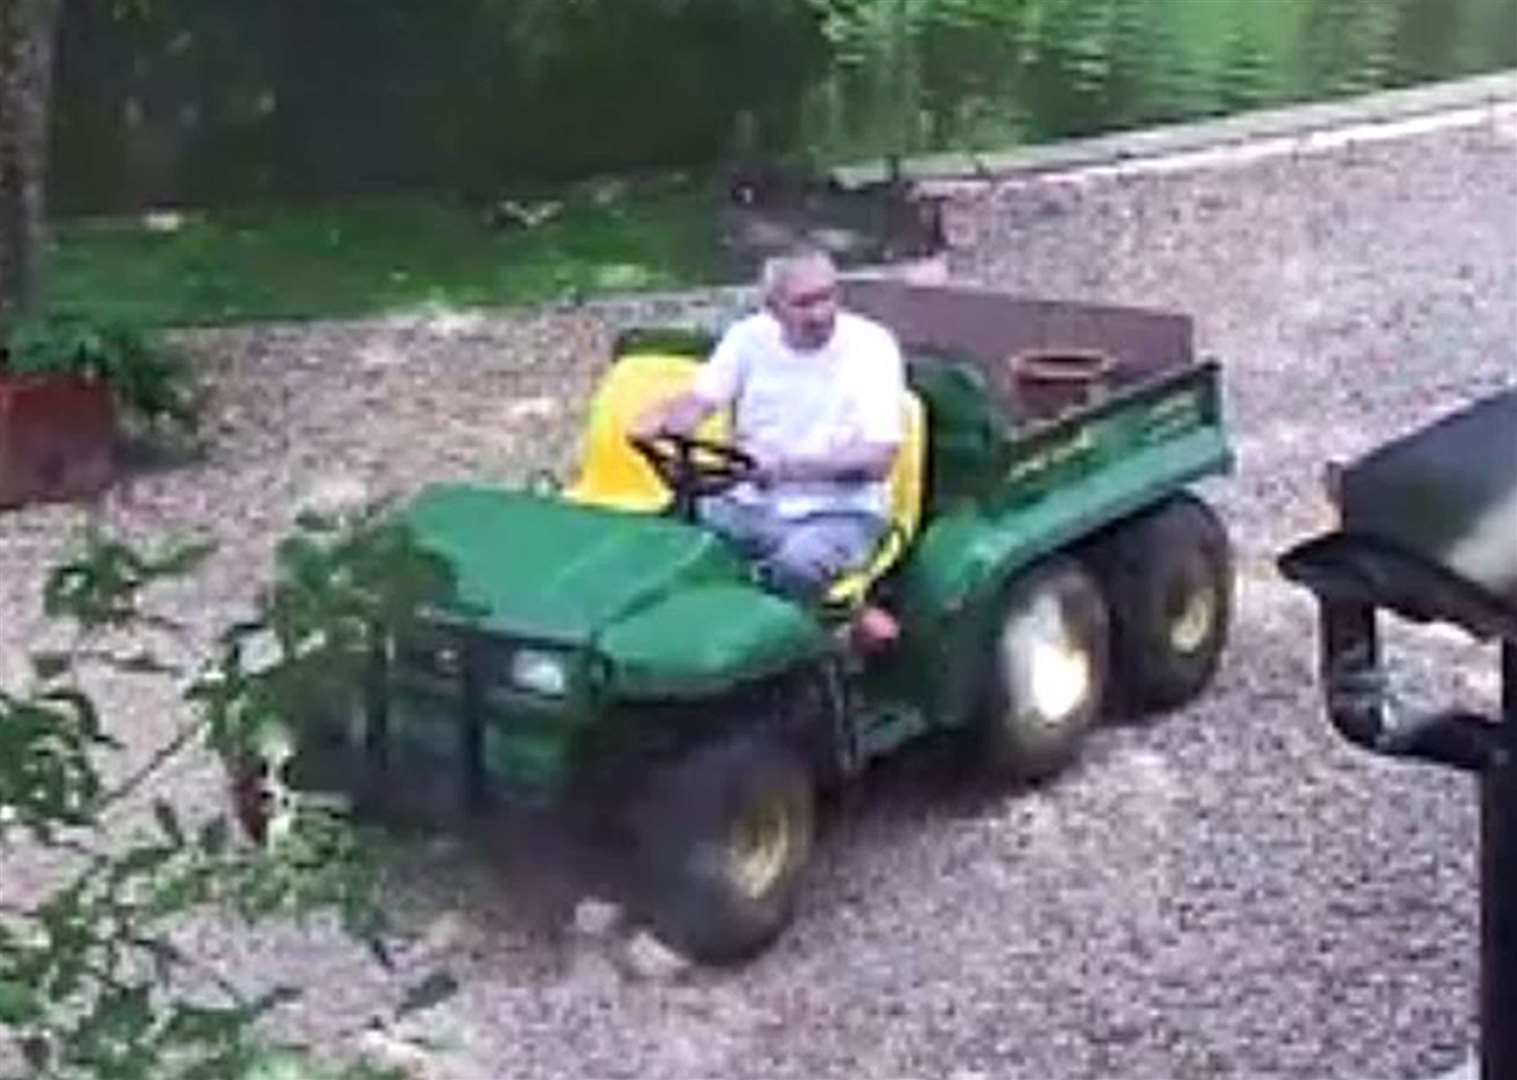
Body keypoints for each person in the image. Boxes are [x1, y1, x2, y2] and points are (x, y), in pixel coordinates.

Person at [633, 247, 907, 608]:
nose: (821, 314)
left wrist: (785, 468)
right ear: (772, 307)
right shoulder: (747, 338)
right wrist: (660, 422)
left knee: (798, 564)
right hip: (748, 504)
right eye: (804, 303)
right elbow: (700, 402)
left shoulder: (872, 347)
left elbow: (878, 459)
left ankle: (793, 644)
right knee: (662, 543)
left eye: (828, 297)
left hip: (838, 513)